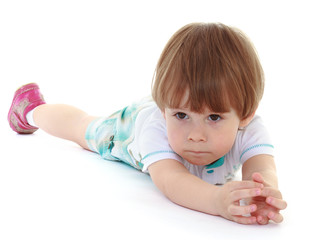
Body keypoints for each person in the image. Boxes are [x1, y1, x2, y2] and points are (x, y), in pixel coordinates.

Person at [8, 22, 287, 225]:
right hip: (130, 129)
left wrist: (261, 194)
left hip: (173, 109)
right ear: (165, 109)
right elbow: (171, 180)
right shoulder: (155, 129)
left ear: (246, 114)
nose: (196, 135)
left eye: (214, 118)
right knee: (84, 128)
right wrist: (216, 202)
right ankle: (31, 109)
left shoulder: (250, 129)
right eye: (181, 115)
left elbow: (262, 167)